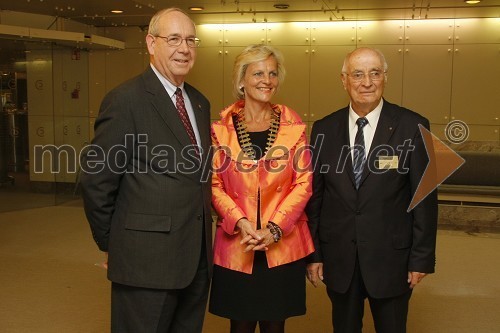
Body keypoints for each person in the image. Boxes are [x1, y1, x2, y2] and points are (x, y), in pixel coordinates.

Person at [80, 8, 212, 333]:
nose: (184, 48)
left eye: (190, 40)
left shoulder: (199, 102)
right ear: (151, 44)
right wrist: (115, 243)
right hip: (144, 262)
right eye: (174, 39)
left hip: (194, 257)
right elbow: (96, 180)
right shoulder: (125, 100)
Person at [306, 47, 438, 333]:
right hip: (340, 258)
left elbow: (424, 198)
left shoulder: (413, 126)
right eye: (358, 74)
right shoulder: (323, 129)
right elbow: (316, 197)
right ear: (344, 80)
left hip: (392, 259)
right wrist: (313, 253)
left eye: (374, 73)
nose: (366, 82)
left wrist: (421, 258)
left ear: (385, 78)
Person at [209, 44, 315, 333]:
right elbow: (214, 185)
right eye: (257, 73)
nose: (266, 80)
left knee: (274, 326)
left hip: (280, 244)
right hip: (237, 243)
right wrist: (240, 222)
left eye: (272, 73)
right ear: (241, 80)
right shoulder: (221, 129)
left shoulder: (293, 126)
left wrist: (275, 229)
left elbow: (303, 183)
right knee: (239, 326)